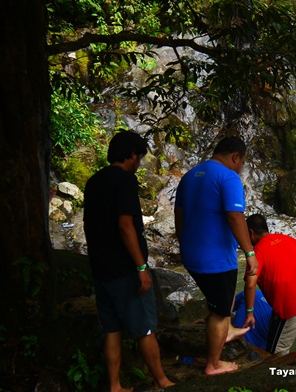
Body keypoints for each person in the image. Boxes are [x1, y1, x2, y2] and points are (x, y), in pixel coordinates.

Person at [84, 130, 174, 391]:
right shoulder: (124, 181)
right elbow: (126, 225)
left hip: (101, 267)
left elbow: (89, 224)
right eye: (140, 158)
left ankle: (115, 386)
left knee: (111, 329)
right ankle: (162, 381)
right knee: (144, 327)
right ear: (133, 155)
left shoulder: (94, 181)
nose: (139, 164)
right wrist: (141, 266)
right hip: (124, 268)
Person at [174, 136, 258, 375]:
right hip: (216, 260)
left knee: (222, 298)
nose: (240, 168)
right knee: (220, 312)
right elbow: (235, 216)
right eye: (242, 163)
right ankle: (214, 363)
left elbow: (179, 214)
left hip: (192, 255)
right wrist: (249, 252)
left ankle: (227, 329)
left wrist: (184, 243)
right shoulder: (228, 177)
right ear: (236, 157)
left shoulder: (190, 176)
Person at [243, 214, 296, 355]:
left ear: (250, 232)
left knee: (276, 353)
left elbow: (250, 284)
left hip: (291, 308)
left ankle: (281, 369)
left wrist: (249, 313)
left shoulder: (257, 254)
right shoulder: (287, 239)